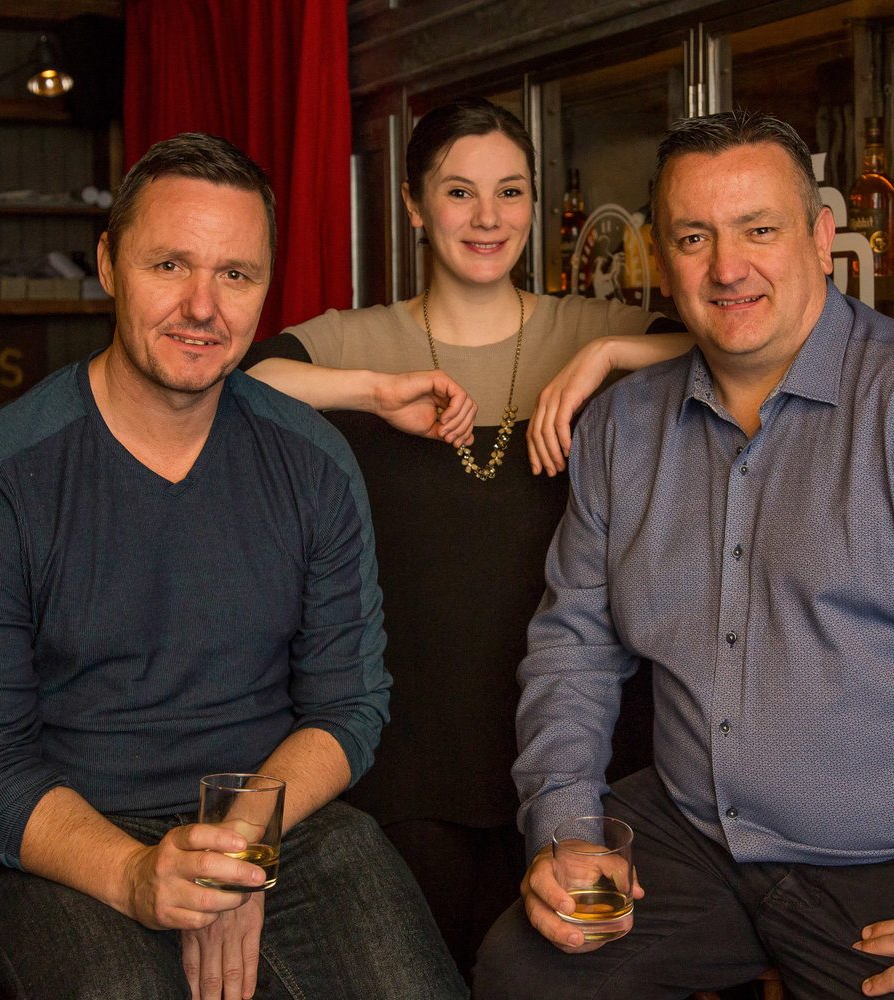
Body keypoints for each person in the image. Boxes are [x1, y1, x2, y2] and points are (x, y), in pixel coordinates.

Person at [474, 110, 894, 1000]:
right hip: (692, 844)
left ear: (823, 239)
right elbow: (572, 649)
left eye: (759, 229)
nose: (728, 267)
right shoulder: (626, 427)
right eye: (694, 237)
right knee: (524, 972)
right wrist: (565, 826)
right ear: (660, 261)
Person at [0, 132, 466, 1000]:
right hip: (79, 839)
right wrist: (140, 876)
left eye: (236, 275)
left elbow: (350, 703)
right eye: (170, 265)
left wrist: (240, 845)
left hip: (279, 824)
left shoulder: (314, 462)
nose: (202, 306)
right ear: (108, 264)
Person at [242, 97, 691, 975]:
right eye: (459, 191)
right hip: (411, 752)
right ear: (413, 205)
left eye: (511, 191)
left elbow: (742, 341)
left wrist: (605, 359)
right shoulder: (357, 341)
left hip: (576, 746)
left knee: (562, 979)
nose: (489, 217)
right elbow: (242, 380)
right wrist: (373, 391)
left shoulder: (593, 329)